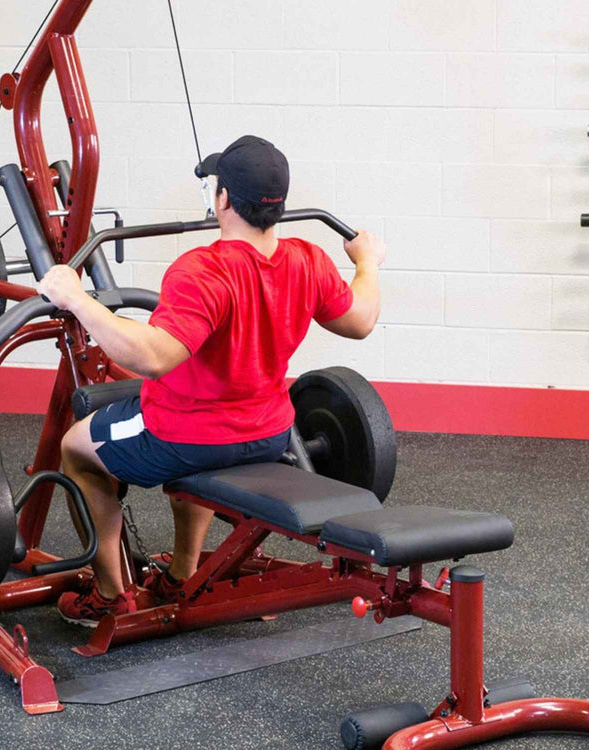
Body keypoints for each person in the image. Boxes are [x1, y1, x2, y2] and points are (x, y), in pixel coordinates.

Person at [37, 135, 386, 625]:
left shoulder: (203, 272)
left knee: (77, 448)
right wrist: (366, 262)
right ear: (280, 207)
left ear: (222, 199)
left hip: (181, 436)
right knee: (196, 446)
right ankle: (181, 573)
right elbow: (362, 319)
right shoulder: (309, 260)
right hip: (268, 435)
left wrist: (76, 299)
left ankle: (110, 596)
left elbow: (153, 358)